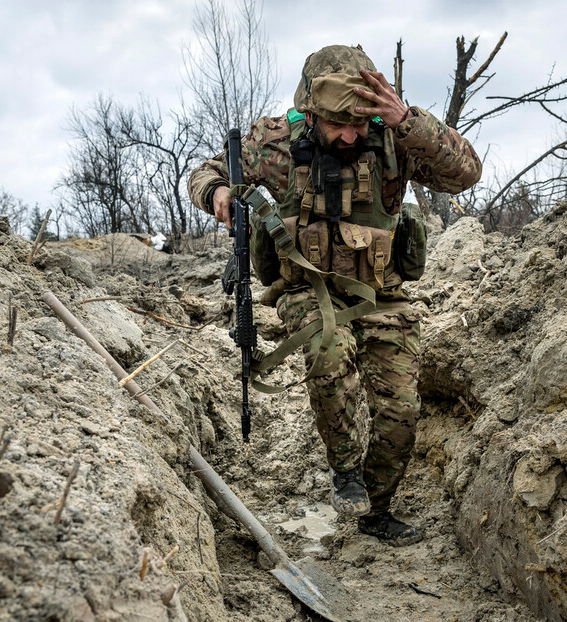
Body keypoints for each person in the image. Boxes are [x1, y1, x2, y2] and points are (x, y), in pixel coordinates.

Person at [188, 44, 481, 546]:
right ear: (312, 112)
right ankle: (345, 471)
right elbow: (205, 172)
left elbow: (465, 173)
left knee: (402, 408)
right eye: (338, 124)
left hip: (381, 295)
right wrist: (215, 192)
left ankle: (377, 506)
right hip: (307, 289)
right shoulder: (276, 144)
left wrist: (408, 119)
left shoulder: (393, 136)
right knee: (330, 347)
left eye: (359, 123)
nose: (351, 134)